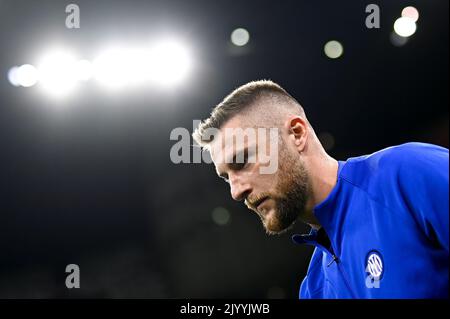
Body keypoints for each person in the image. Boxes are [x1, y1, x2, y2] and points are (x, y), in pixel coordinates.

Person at [192, 80, 449, 298]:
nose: (236, 192)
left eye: (242, 161)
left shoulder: (407, 174)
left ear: (296, 133)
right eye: (226, 177)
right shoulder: (314, 289)